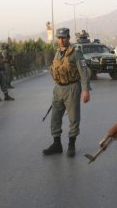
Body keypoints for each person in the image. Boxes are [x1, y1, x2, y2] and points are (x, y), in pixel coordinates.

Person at [43, 27, 91, 157]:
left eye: (64, 37)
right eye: (59, 37)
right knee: (55, 118)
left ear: (68, 38)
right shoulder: (58, 52)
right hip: (58, 88)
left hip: (72, 88)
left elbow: (84, 72)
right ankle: (57, 144)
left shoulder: (76, 53)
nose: (61, 40)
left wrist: (86, 90)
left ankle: (71, 145)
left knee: (73, 118)